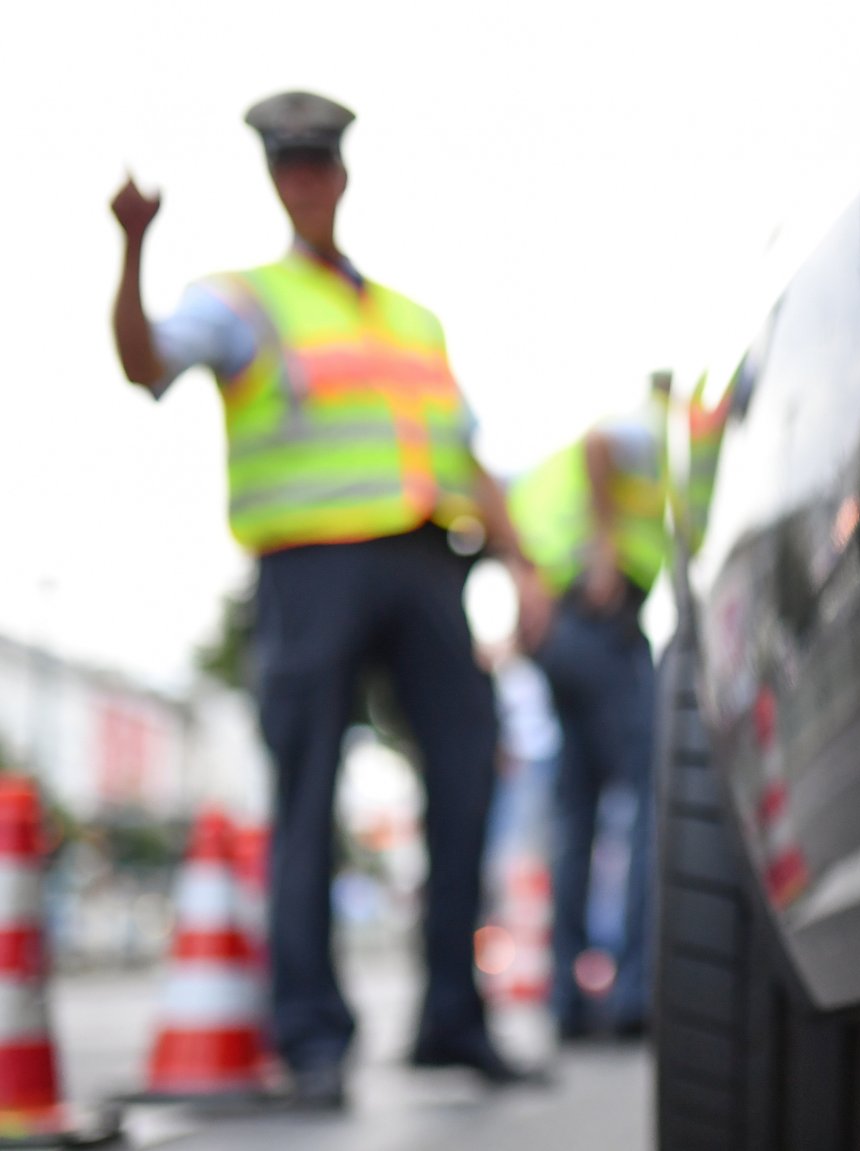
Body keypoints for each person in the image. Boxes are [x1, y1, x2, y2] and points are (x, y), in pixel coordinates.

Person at [107, 91, 551, 1106]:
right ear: (276, 181)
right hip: (310, 566)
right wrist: (132, 250)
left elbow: (467, 456)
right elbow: (144, 362)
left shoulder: (412, 319)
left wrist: (525, 564)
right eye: (289, 168)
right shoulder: (241, 300)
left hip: (429, 563)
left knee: (467, 778)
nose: (306, 183)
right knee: (306, 789)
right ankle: (312, 1032)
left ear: (341, 179)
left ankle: (454, 1017)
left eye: (320, 166)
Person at [507, 370, 670, 1039]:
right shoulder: (659, 426)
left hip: (563, 635)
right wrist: (606, 550)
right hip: (600, 623)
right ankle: (635, 993)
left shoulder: (543, 479)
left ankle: (567, 1004)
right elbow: (601, 444)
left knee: (578, 814)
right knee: (653, 793)